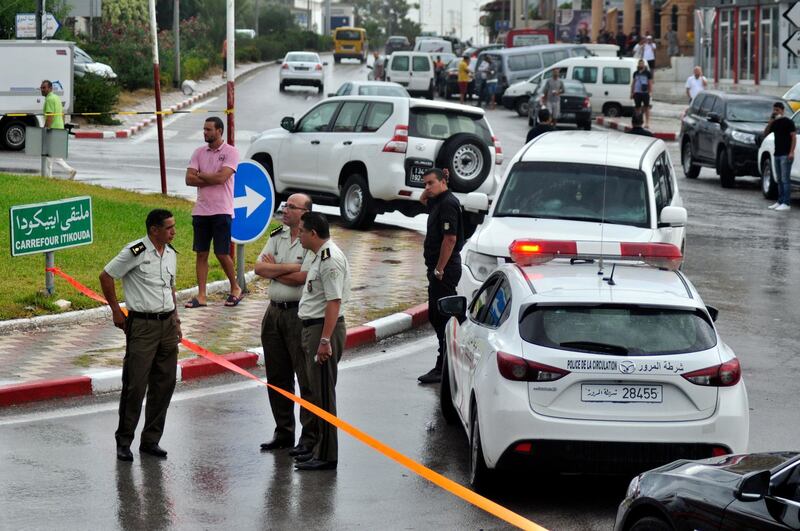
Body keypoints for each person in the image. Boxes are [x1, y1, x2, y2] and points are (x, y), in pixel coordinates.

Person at [99, 209, 181, 462]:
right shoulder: (136, 251)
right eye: (168, 228)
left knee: (164, 384)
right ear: (154, 229)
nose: (173, 232)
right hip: (142, 326)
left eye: (173, 227)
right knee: (135, 385)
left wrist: (176, 320)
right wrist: (116, 311)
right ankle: (124, 441)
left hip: (167, 324)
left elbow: (170, 288)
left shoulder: (169, 253)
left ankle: (151, 440)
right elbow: (106, 276)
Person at [256, 194, 316, 457]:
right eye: (285, 205)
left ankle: (310, 436)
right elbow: (259, 268)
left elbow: (303, 278)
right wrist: (288, 269)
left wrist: (276, 269)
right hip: (274, 314)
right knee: (277, 377)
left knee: (305, 378)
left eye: (291, 207)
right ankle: (283, 432)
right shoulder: (277, 235)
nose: (285, 210)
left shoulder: (312, 238)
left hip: (297, 315)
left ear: (305, 212)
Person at [294, 212, 350, 471]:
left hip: (322, 330)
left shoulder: (329, 260)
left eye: (302, 231)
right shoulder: (318, 256)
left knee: (325, 395)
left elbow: (333, 302)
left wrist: (325, 340)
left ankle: (327, 455)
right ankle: (318, 447)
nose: (299, 235)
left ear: (313, 234)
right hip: (313, 328)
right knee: (316, 392)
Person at [184, 117, 242, 309]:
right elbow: (189, 179)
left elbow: (222, 178)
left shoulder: (231, 152)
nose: (205, 133)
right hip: (201, 211)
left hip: (222, 210)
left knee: (222, 253)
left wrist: (200, 175)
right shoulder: (198, 152)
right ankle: (201, 295)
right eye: (204, 129)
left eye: (209, 129)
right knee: (201, 253)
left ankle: (235, 288)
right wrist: (209, 177)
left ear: (219, 131)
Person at [417, 169, 464, 384]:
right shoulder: (438, 199)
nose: (426, 188)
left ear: (443, 182)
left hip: (444, 270)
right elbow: (422, 199)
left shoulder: (447, 204)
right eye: (425, 183)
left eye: (431, 183)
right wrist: (431, 188)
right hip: (438, 269)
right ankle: (446, 362)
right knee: (437, 316)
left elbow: (450, 239)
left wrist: (439, 269)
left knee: (442, 318)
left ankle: (444, 365)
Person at [764, 102, 797, 211]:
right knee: (778, 179)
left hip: (786, 154)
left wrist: (791, 152)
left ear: (782, 111)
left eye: (777, 110)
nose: (775, 112)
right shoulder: (775, 123)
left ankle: (786, 203)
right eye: (774, 110)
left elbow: (793, 137)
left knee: (785, 179)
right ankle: (780, 201)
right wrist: (771, 121)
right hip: (777, 154)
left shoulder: (788, 122)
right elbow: (765, 133)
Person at [40, 80, 76, 179]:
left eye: (44, 88)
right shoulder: (56, 98)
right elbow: (62, 114)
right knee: (54, 155)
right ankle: (70, 171)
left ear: (50, 88)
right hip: (59, 128)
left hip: (53, 129)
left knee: (47, 154)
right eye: (41, 87)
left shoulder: (50, 99)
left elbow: (50, 116)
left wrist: (45, 129)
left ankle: (48, 177)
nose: (42, 90)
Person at [631, 59, 653, 128]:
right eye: (640, 63)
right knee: (637, 108)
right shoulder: (635, 73)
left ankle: (647, 123)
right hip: (637, 93)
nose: (641, 65)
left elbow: (650, 83)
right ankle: (638, 121)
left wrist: (650, 92)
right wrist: (632, 92)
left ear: (644, 65)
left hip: (645, 93)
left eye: (642, 63)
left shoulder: (647, 73)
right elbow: (633, 83)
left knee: (646, 108)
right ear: (638, 65)